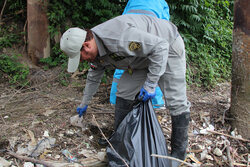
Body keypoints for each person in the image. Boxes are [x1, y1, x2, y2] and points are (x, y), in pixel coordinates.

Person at [60, 13, 191, 167]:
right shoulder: (95, 50)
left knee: (176, 101)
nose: (83, 61)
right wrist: (84, 102)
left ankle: (178, 153)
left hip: (167, 47)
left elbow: (160, 47)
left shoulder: (118, 38)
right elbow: (94, 75)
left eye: (82, 57)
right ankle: (120, 141)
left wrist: (150, 85)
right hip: (140, 58)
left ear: (86, 45)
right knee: (123, 91)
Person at [110, 0, 170, 109]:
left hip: (130, 34)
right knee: (153, 66)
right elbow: (165, 27)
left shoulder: (132, 1)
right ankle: (156, 104)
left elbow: (123, 19)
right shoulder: (161, 2)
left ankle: (115, 100)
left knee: (123, 64)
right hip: (150, 33)